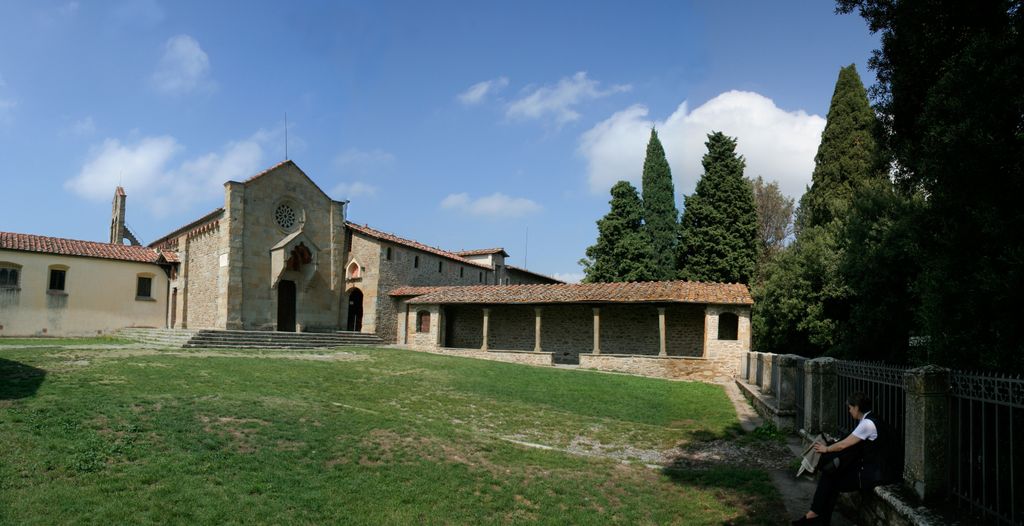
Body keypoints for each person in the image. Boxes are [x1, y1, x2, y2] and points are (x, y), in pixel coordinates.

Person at [792, 392, 893, 525]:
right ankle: (817, 517)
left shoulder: (867, 424)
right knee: (831, 476)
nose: (849, 411)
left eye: (850, 408)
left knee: (831, 478)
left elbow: (844, 445)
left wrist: (826, 449)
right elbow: (850, 442)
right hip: (870, 469)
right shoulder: (869, 419)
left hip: (873, 474)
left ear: (856, 407)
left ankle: (815, 515)